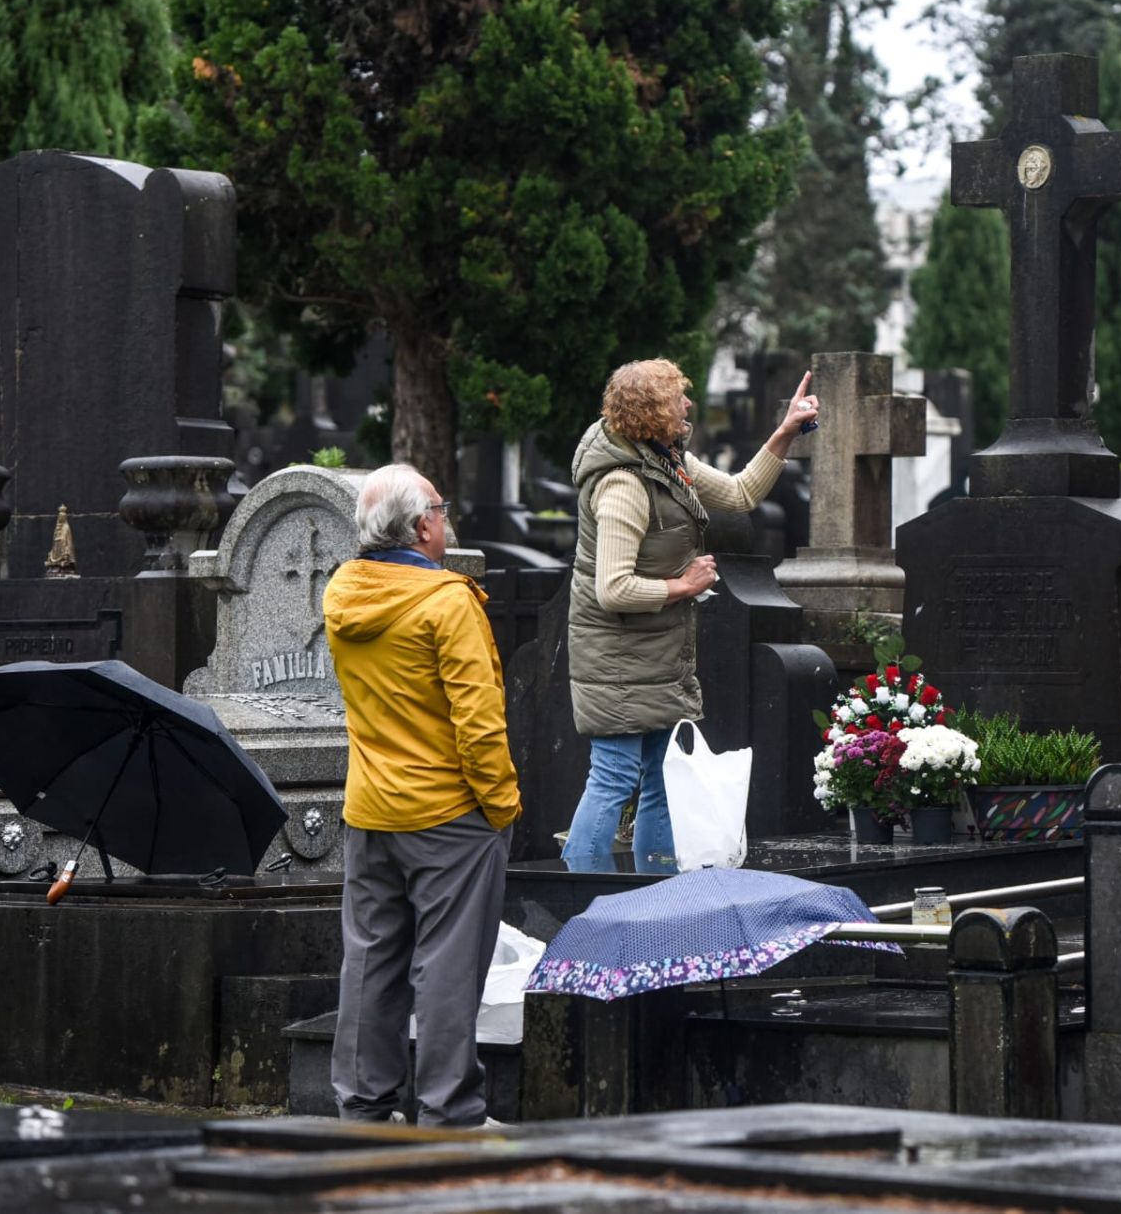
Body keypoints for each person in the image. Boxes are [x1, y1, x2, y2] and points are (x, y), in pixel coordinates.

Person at [562, 358, 820, 873]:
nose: (687, 404)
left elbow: (741, 494)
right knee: (614, 777)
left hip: (655, 653)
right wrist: (684, 585)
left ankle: (657, 897)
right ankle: (580, 899)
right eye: (677, 397)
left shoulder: (664, 460)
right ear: (652, 412)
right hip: (617, 659)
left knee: (664, 778)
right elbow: (613, 589)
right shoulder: (624, 485)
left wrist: (786, 431)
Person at [322, 464, 521, 1128]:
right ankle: (450, 1114)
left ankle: (363, 1110)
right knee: (448, 968)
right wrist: (501, 807)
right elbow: (479, 723)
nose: (445, 515)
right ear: (421, 525)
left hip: (369, 808)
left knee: (370, 962)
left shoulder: (343, 591)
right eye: (440, 505)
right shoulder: (447, 602)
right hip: (448, 813)